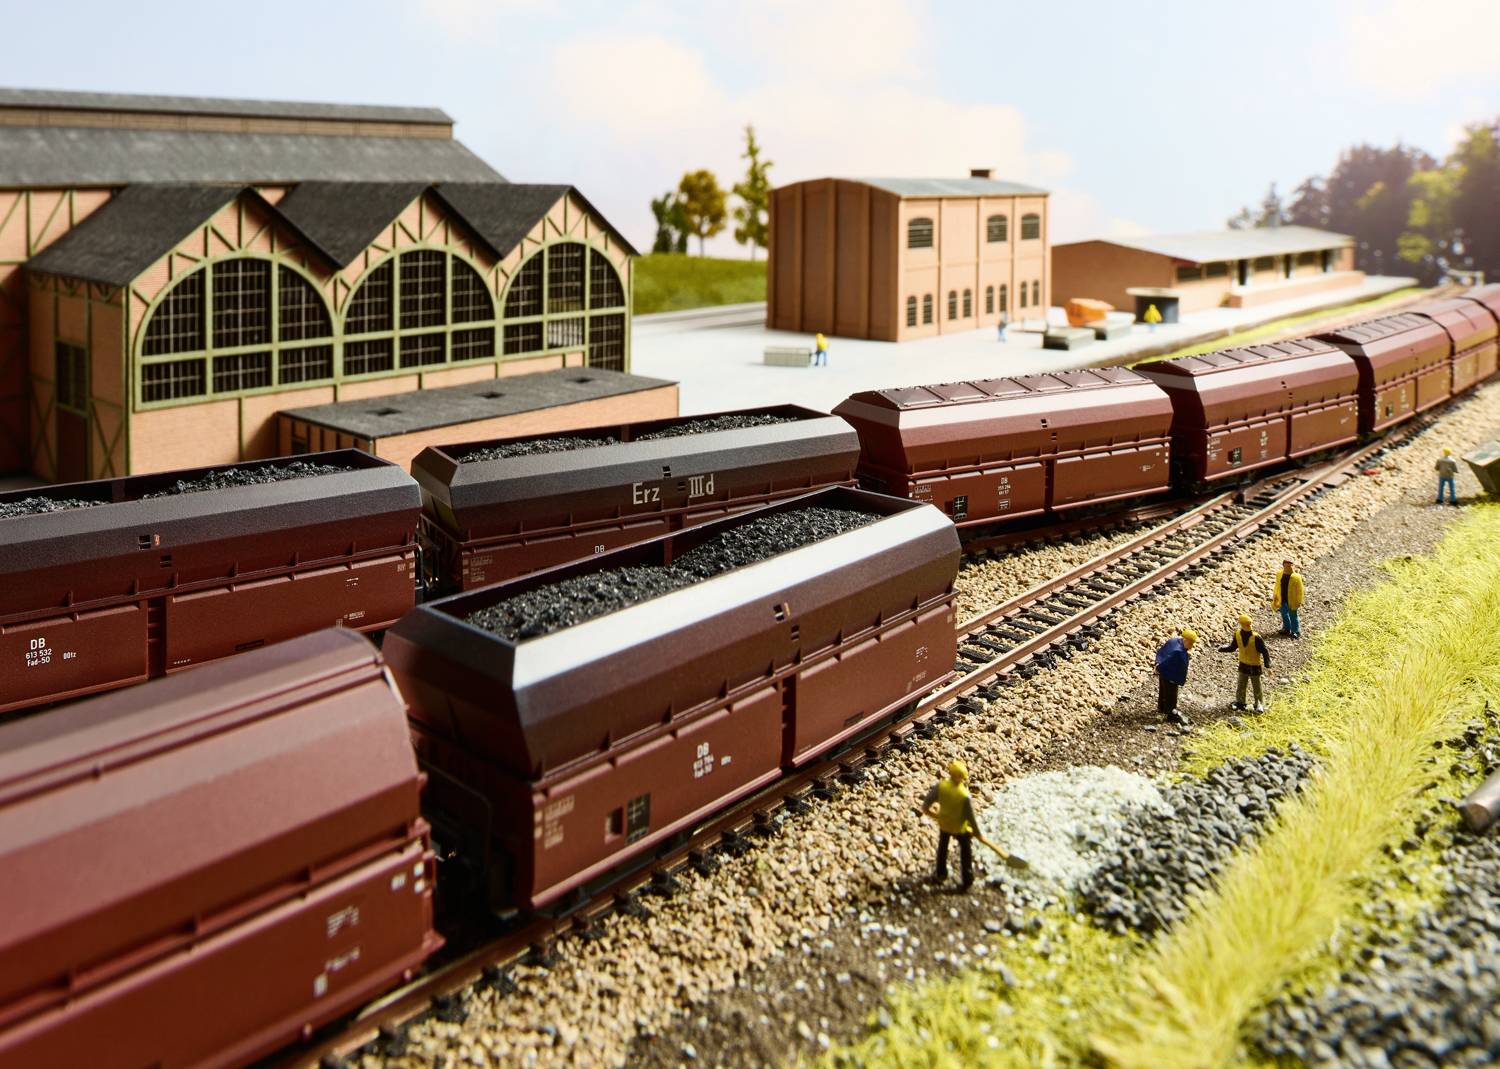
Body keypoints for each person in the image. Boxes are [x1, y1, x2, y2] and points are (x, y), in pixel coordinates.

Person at [920, 759, 978, 891]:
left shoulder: (941, 786)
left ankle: (941, 874)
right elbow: (970, 816)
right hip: (959, 827)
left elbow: (926, 805)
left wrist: (935, 815)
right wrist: (975, 830)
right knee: (966, 851)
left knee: (942, 849)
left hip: (944, 824)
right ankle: (967, 879)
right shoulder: (964, 795)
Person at [1219, 614, 1270, 713]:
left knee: (1256, 685)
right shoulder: (1237, 634)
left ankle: (1259, 703)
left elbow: (1264, 651)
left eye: (1249, 624)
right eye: (1246, 624)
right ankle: (1240, 702)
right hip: (1243, 664)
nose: (1248, 626)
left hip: (1255, 665)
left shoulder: (1256, 637)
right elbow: (1233, 647)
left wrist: (1267, 662)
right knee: (1241, 683)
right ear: (1241, 624)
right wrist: (1223, 649)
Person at [1153, 627, 1197, 726]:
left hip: (1163, 672)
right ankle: (1170, 713)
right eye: (1190, 643)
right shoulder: (1179, 652)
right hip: (1172, 675)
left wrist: (1157, 665)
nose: (1191, 646)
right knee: (1171, 695)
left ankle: (1161, 707)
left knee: (1163, 691)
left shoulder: (1173, 641)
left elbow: (1161, 651)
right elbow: (1169, 661)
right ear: (1185, 640)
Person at [1271, 559, 1304, 639]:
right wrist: (1275, 596)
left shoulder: (1296, 577)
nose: (1288, 567)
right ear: (1283, 565)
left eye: (1290, 565)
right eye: (1287, 565)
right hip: (1282, 598)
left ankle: (1295, 631)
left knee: (1293, 615)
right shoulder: (1279, 574)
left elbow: (1300, 590)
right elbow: (1277, 585)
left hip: (1292, 600)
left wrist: (1299, 600)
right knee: (1284, 614)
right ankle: (1286, 628)